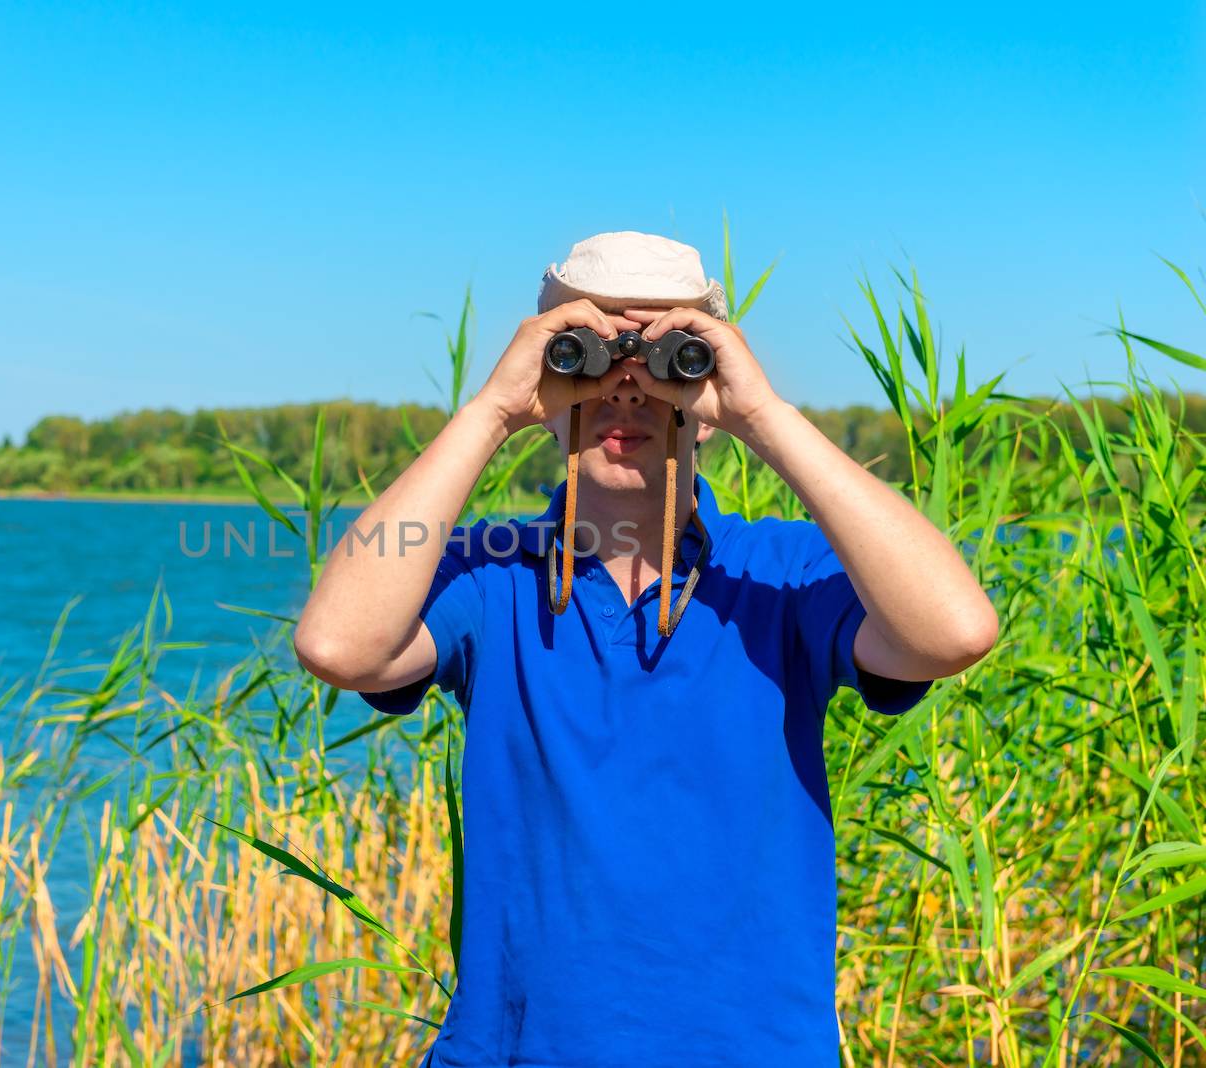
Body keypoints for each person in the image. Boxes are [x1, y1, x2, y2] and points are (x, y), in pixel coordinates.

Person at [292, 231, 998, 1066]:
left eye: (669, 354)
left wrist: (762, 417)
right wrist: (493, 412)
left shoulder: (783, 576)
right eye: (588, 356)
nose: (625, 388)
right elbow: (339, 645)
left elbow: (955, 632)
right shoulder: (493, 576)